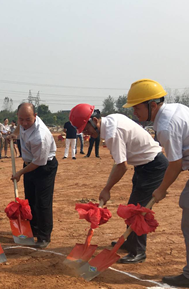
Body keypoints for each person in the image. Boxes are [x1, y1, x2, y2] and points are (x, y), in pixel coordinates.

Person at [70, 103, 167, 263]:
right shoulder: (111, 121)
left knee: (137, 211)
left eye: (86, 128)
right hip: (143, 165)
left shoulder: (112, 133)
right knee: (134, 206)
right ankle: (130, 243)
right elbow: (120, 162)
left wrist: (107, 189)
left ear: (95, 120)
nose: (85, 133)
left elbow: (122, 165)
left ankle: (138, 251)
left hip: (153, 165)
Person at [124, 79, 189, 286]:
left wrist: (161, 190)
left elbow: (176, 163)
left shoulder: (165, 125)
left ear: (153, 105)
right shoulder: (175, 109)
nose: (135, 112)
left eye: (137, 107)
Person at [10, 103, 58, 248]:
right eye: (21, 119)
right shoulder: (23, 123)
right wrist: (15, 134)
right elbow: (21, 127)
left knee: (43, 202)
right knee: (30, 199)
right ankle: (34, 229)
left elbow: (38, 163)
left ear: (35, 117)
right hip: (30, 164)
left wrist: (20, 173)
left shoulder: (40, 136)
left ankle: (44, 236)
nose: (24, 123)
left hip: (44, 167)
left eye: (28, 120)